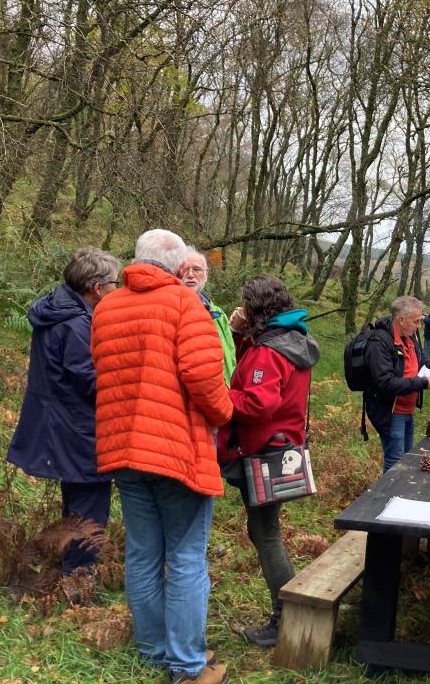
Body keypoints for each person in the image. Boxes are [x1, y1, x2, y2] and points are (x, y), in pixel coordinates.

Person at [92, 229, 233, 684]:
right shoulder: (184, 304)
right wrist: (225, 413)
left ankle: (153, 650)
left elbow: (104, 370)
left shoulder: (107, 307)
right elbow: (203, 375)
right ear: (174, 267)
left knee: (142, 553)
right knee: (189, 556)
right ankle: (187, 665)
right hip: (175, 450)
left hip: (122, 446)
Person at [218, 275, 319, 648]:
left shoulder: (269, 351)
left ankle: (284, 616)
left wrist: (221, 396)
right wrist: (243, 336)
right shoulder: (293, 339)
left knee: (266, 534)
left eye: (246, 304)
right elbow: (261, 375)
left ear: (255, 308)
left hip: (263, 451)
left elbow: (259, 403)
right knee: (264, 531)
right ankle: (284, 612)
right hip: (284, 446)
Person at [7, 247, 121, 575]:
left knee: (76, 501)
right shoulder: (76, 324)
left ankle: (68, 569)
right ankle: (78, 582)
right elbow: (89, 379)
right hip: (77, 429)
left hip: (61, 424)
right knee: (89, 507)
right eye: (114, 282)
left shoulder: (57, 310)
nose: (117, 289)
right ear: (96, 287)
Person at [363, 296, 430, 472]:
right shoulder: (379, 343)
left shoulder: (409, 337)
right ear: (401, 319)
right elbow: (385, 382)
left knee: (407, 458)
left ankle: (399, 495)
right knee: (396, 463)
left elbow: (421, 358)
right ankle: (388, 497)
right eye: (416, 322)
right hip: (391, 412)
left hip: (407, 411)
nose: (419, 326)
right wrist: (422, 383)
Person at [178, 247, 236, 383]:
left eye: (196, 269)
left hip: (224, 395)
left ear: (206, 273)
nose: (190, 274)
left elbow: (231, 360)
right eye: (185, 269)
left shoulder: (218, 314)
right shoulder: (173, 311)